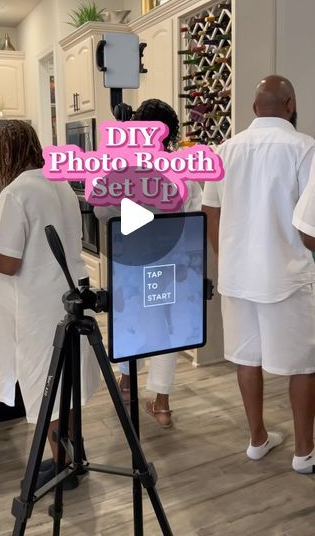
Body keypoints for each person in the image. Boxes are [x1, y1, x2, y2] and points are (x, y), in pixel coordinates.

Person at [0, 120, 100, 488]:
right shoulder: (61, 185)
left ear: (6, 153)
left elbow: (7, 262)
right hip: (69, 298)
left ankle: (63, 467)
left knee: (46, 387)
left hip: (38, 305)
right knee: (67, 382)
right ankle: (73, 456)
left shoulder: (16, 192)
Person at [202, 75, 315, 474]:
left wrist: (226, 256)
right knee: (302, 364)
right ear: (291, 105)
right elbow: (309, 228)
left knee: (246, 359)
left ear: (253, 109)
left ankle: (258, 439)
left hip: (237, 274)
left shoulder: (225, 150)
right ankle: (304, 453)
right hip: (286, 274)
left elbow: (210, 210)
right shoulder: (305, 148)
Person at [95, 98, 202, 428]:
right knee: (165, 328)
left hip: (131, 260)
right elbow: (193, 218)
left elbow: (100, 209)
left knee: (131, 321)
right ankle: (162, 405)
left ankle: (127, 387)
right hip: (170, 263)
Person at [293, 154, 315, 252]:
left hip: (242, 259)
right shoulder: (305, 146)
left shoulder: (239, 143)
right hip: (294, 261)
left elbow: (310, 238)